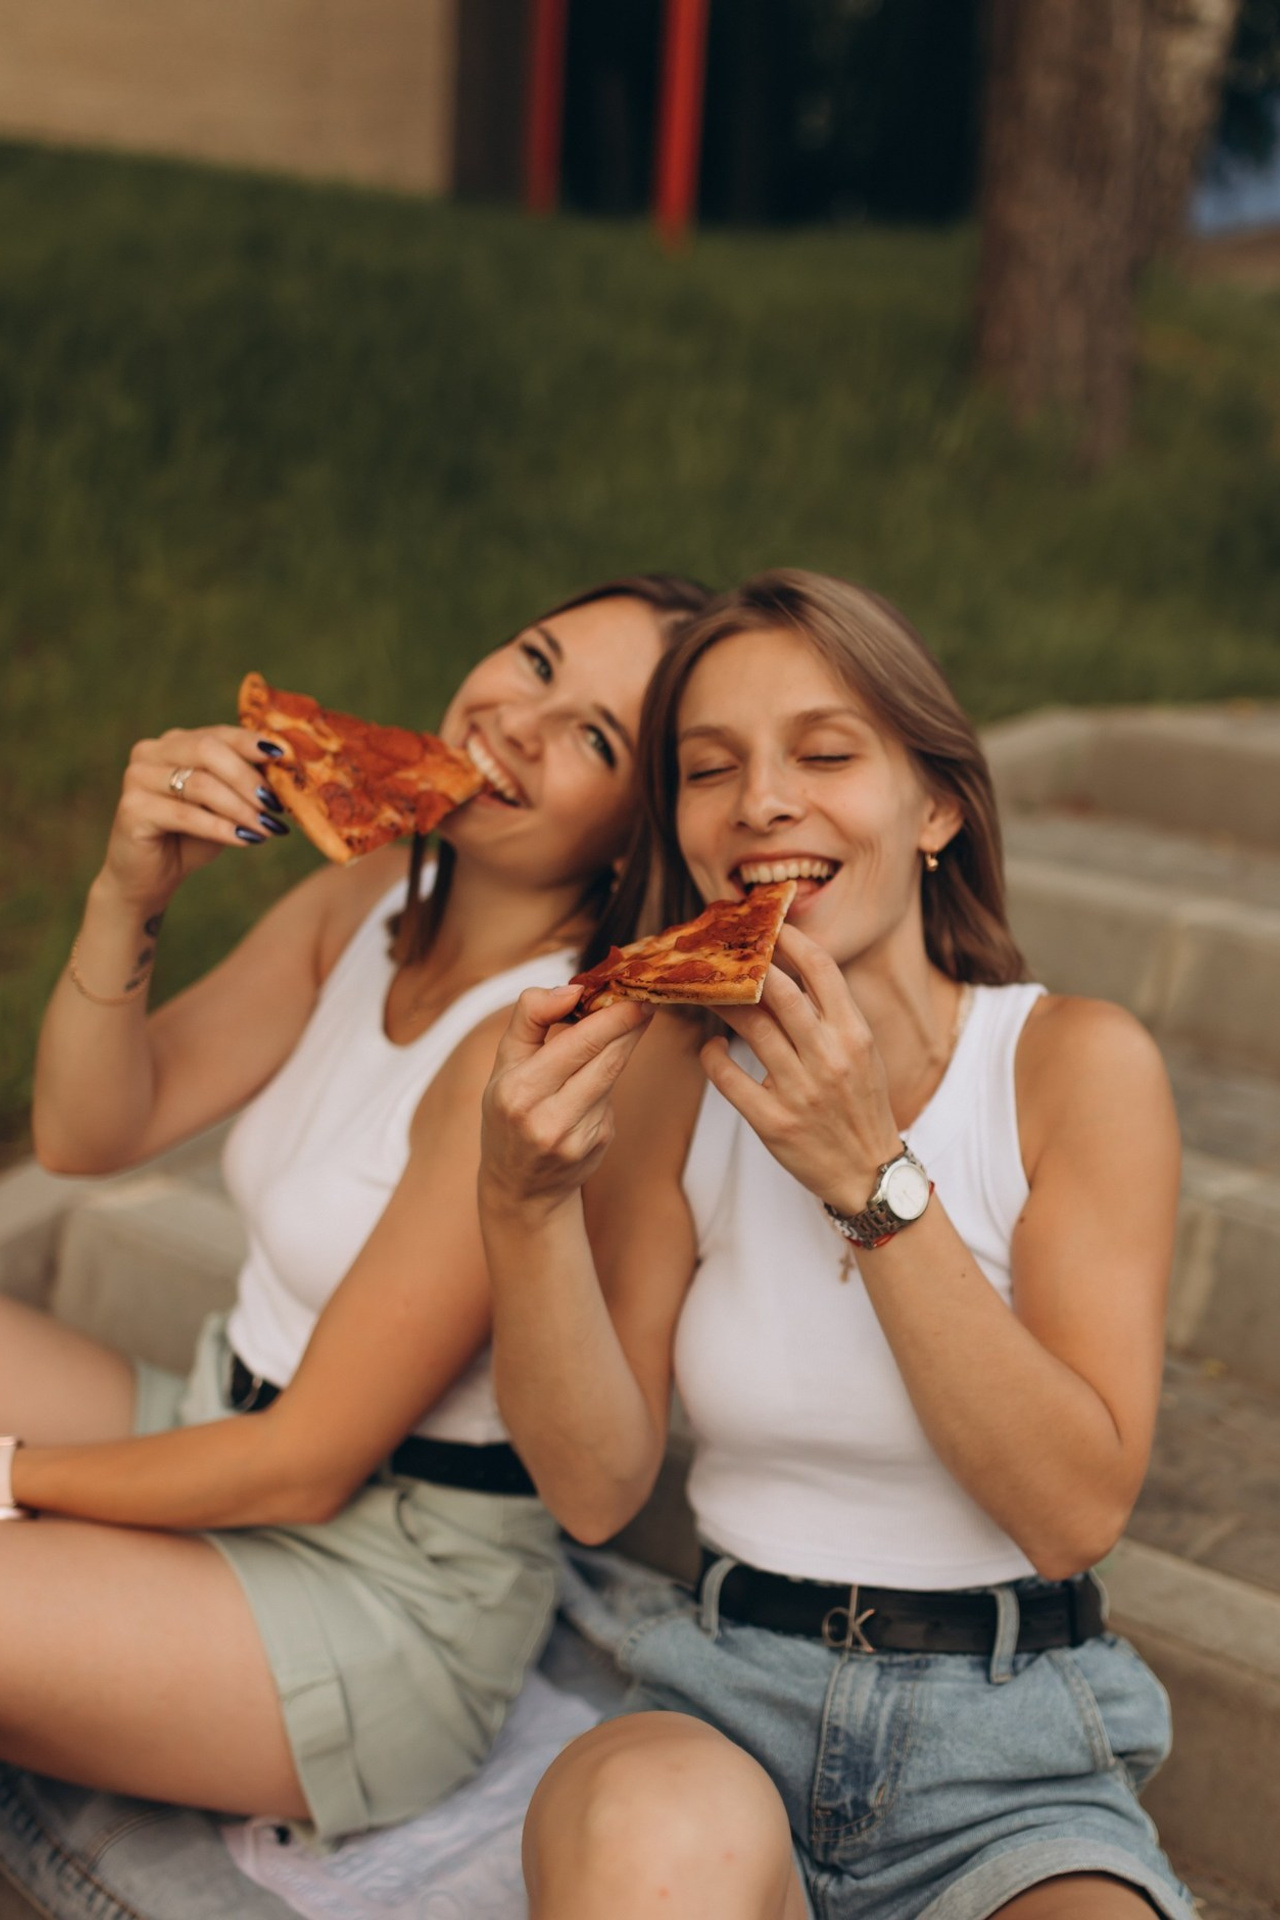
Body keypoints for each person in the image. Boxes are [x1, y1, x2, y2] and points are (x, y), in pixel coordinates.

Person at [478, 570, 1194, 1920]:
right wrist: (519, 1208)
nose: (760, 802)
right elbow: (591, 1486)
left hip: (1016, 1753)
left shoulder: (1072, 1067)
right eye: (709, 768)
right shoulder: (669, 1081)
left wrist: (867, 1173)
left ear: (935, 804)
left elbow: (1072, 1512)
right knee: (640, 1840)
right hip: (722, 1706)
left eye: (823, 753)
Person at [0, 572, 708, 1846]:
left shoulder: (540, 1040)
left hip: (384, 1585)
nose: (521, 723)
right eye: (536, 661)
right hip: (217, 1413)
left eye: (596, 738)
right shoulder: (362, 902)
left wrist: (13, 1482)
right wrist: (130, 891)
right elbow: (87, 1130)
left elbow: (306, 1467)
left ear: (634, 833)